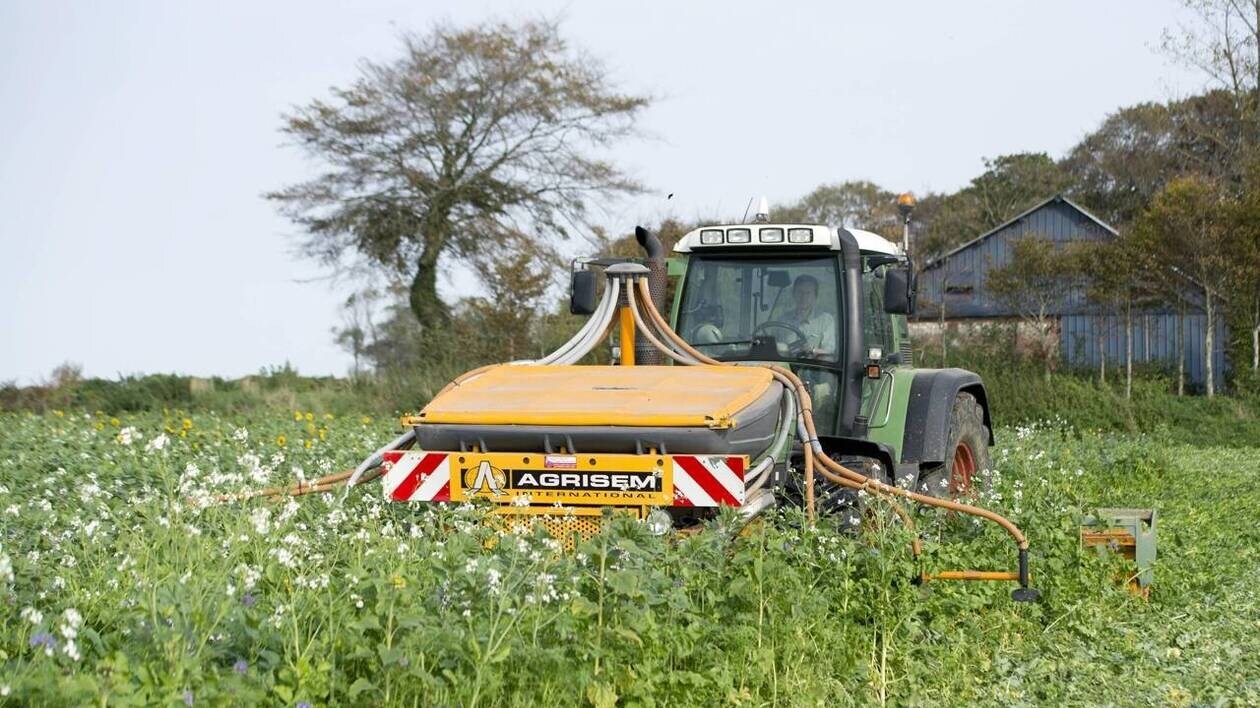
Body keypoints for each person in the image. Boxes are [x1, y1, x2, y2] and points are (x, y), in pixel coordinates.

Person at [783, 274, 836, 360]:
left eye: (808, 293)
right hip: (787, 367)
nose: (803, 297)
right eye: (800, 292)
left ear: (815, 296)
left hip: (815, 368)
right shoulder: (783, 320)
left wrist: (811, 350)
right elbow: (775, 347)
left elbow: (829, 351)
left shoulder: (826, 320)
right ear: (793, 294)